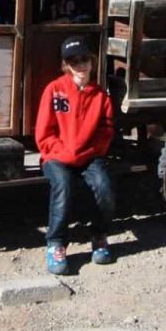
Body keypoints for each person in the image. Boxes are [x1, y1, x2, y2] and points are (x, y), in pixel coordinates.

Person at [34, 36, 116, 275]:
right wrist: (61, 152)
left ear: (92, 62)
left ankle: (99, 236)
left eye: (84, 60)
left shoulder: (100, 96)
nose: (80, 66)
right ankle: (56, 243)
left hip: (89, 155)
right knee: (63, 185)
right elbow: (44, 132)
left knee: (105, 187)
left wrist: (93, 151)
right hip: (57, 156)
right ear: (66, 65)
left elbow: (106, 130)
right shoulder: (55, 90)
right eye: (73, 61)